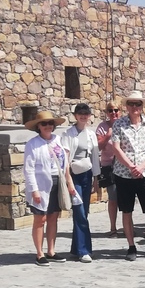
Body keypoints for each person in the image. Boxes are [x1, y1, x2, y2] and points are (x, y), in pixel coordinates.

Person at [111, 91, 145, 261]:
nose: (135, 107)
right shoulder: (119, 124)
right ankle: (131, 246)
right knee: (127, 211)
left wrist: (141, 166)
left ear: (142, 107)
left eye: (138, 104)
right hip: (123, 174)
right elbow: (116, 148)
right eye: (132, 104)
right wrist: (130, 166)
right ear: (127, 106)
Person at [24, 111, 69, 266]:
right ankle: (39, 253)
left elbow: (65, 162)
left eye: (50, 123)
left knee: (53, 217)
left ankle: (51, 250)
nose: (48, 126)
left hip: (57, 181)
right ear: (38, 126)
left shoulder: (58, 140)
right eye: (44, 124)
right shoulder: (32, 144)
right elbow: (28, 169)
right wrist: (34, 190)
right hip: (41, 185)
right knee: (40, 219)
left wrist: (68, 181)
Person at [62, 103, 101, 263]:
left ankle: (76, 248)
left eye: (86, 113)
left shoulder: (91, 134)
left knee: (84, 211)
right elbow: (65, 158)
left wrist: (96, 179)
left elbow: (95, 157)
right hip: (74, 175)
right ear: (75, 115)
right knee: (80, 212)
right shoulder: (68, 134)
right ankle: (84, 250)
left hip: (87, 175)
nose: (83, 116)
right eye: (80, 113)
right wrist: (68, 180)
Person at [96, 100, 121, 237]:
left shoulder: (124, 124)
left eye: (116, 110)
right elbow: (98, 147)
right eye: (110, 110)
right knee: (113, 198)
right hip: (110, 167)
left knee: (126, 197)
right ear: (107, 113)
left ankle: (127, 226)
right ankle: (113, 228)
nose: (113, 113)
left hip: (124, 166)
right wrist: (108, 136)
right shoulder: (102, 127)